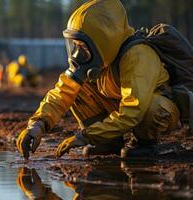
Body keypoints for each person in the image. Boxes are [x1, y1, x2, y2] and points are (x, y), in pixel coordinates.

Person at [16, 0, 180, 159]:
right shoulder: (104, 56)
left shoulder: (137, 55)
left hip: (149, 108)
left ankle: (145, 143)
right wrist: (37, 125)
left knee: (154, 109)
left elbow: (133, 111)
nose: (77, 54)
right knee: (77, 89)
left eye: (83, 46)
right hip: (122, 104)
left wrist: (86, 137)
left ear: (103, 39)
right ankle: (108, 142)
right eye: (75, 45)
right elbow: (63, 91)